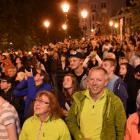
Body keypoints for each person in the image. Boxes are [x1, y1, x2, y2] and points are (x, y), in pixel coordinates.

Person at [66, 67, 126, 140]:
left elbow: (121, 131)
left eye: (99, 80)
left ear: (106, 82)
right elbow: (71, 120)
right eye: (92, 79)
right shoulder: (79, 98)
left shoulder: (114, 102)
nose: (94, 83)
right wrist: (79, 137)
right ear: (87, 81)